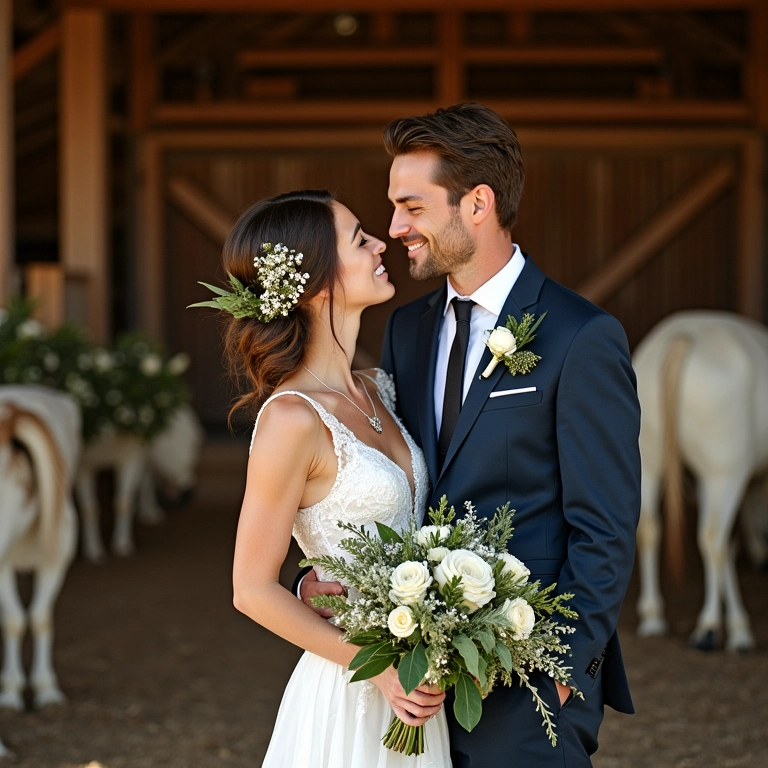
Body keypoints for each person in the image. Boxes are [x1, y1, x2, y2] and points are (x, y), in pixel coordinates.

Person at [300, 104, 642, 767]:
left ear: (478, 203)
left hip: (527, 675)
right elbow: (386, 477)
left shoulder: (580, 337)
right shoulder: (407, 329)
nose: (395, 228)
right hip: (412, 675)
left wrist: (567, 666)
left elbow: (606, 522)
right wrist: (315, 576)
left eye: (412, 207)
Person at [214, 190, 451, 767]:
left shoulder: (379, 390)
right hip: (354, 689)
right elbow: (251, 588)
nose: (380, 243)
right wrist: (383, 668)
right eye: (358, 238)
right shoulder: (291, 420)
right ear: (319, 285)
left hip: (420, 686)